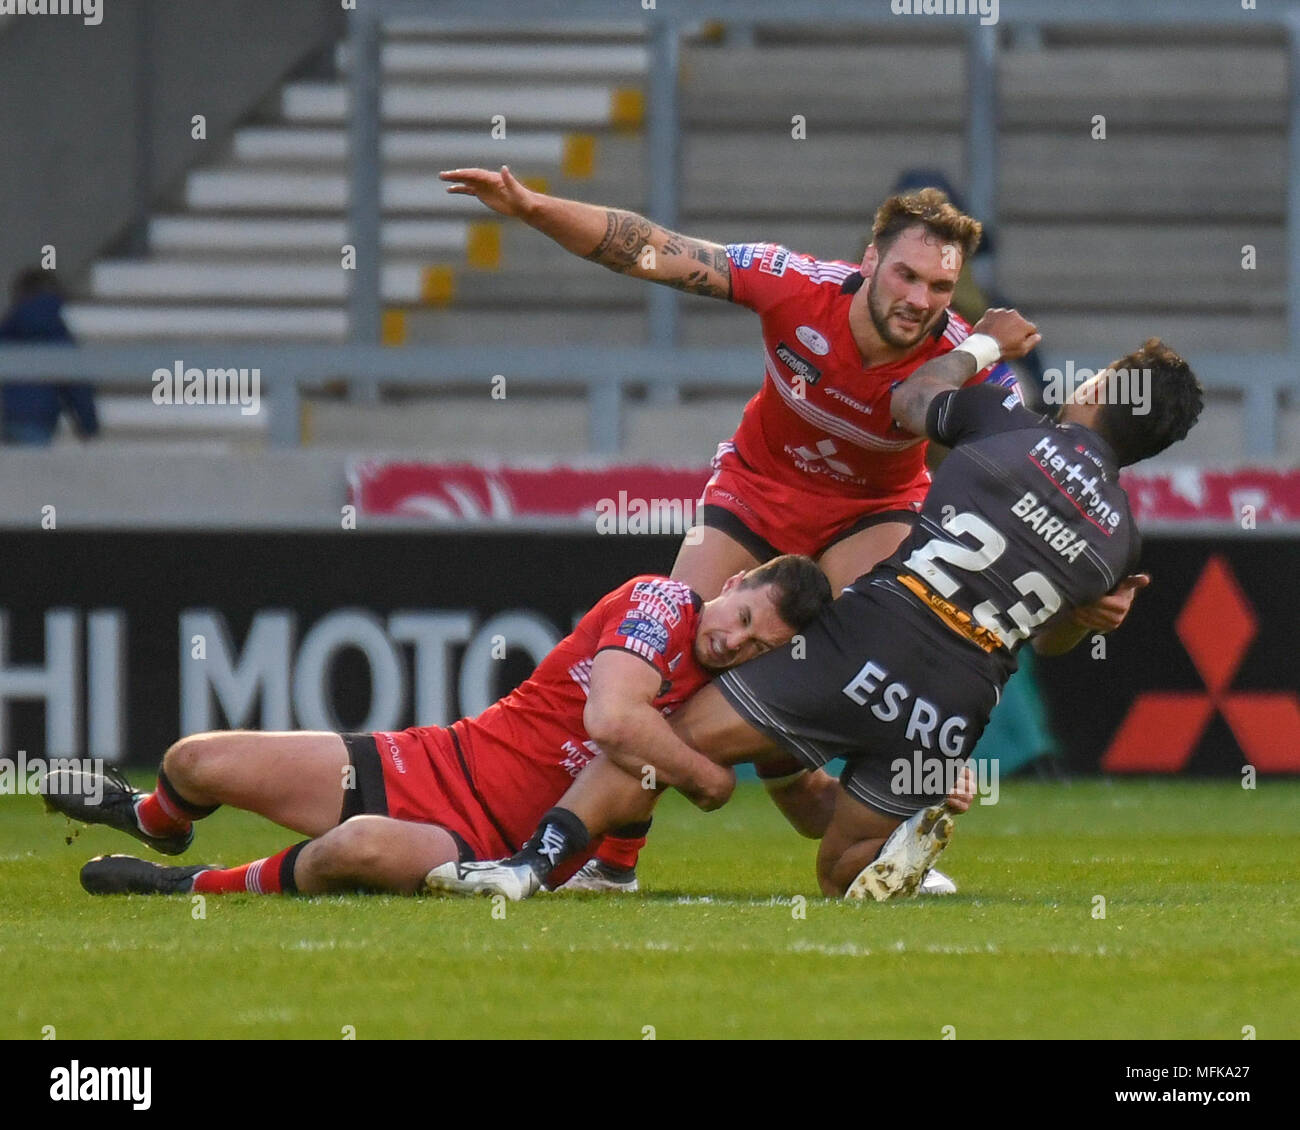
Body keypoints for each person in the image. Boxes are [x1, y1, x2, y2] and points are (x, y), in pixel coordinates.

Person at [425, 317, 1204, 903]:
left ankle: (531, 867)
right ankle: (896, 847)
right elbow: (1057, 639)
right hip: (954, 701)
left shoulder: (1012, 429)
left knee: (668, 734)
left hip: (874, 632)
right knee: (838, 872)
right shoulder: (1119, 542)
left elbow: (911, 400)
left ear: (1104, 389)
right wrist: (1091, 618)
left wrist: (983, 348)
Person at [439, 168, 1021, 889]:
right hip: (756, 493)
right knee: (669, 662)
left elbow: (1031, 467)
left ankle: (889, 842)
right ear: (869, 261)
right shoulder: (795, 284)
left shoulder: (965, 359)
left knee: (888, 666)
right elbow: (649, 248)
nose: (920, 301)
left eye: (939, 288)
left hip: (872, 513)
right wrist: (532, 208)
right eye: (906, 275)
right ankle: (616, 864)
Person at [45, 557, 831, 897]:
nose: (736, 642)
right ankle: (154, 818)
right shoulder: (662, 601)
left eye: (759, 645)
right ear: (731, 585)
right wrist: (711, 779)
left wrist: (617, 860)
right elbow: (616, 723)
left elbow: (635, 774)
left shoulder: (731, 692)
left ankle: (193, 885)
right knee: (195, 760)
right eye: (743, 618)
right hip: (439, 758)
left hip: (496, 847)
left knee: (354, 850)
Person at [0, 267, 98, 445]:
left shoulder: (8, 329)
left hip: (8, 417)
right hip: (40, 421)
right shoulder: (57, 334)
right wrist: (88, 425)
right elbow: (76, 386)